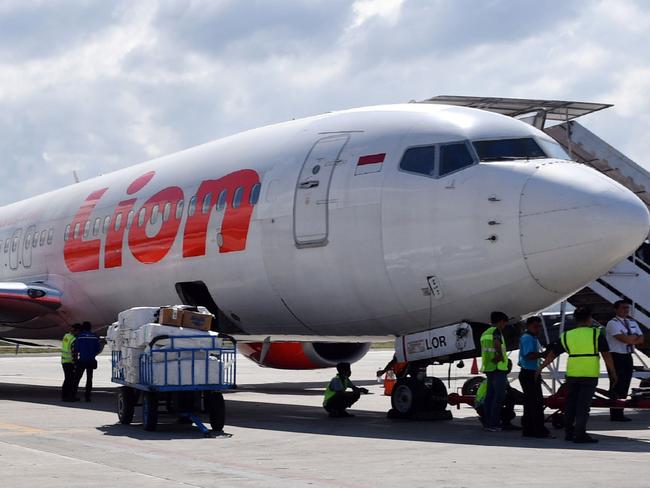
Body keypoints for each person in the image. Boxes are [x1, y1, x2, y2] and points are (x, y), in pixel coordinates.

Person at [540, 307, 617, 443]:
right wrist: (613, 372)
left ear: (576, 320)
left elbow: (553, 354)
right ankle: (580, 434)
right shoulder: (596, 333)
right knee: (583, 406)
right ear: (589, 318)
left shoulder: (567, 335)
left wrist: (540, 367)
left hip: (572, 373)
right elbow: (606, 355)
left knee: (570, 404)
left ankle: (569, 433)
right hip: (589, 373)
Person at [606, 300, 644, 422]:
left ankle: (620, 411)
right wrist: (632, 339)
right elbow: (622, 338)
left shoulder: (631, 322)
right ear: (616, 309)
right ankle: (615, 412)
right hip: (616, 356)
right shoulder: (613, 323)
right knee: (617, 383)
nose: (626, 310)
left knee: (626, 383)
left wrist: (631, 340)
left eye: (627, 308)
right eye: (623, 308)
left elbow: (641, 338)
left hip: (627, 355)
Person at [518, 316, 552, 438]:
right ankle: (538, 429)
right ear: (528, 326)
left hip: (530, 372)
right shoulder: (528, 338)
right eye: (535, 326)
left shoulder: (532, 337)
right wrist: (543, 354)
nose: (538, 329)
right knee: (536, 403)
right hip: (529, 373)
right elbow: (528, 355)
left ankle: (528, 429)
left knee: (530, 403)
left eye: (539, 326)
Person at [480, 311, 510, 431]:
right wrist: (500, 356)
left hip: (489, 367)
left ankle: (487, 422)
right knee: (499, 397)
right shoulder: (496, 332)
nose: (504, 326)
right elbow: (497, 343)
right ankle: (494, 423)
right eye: (504, 323)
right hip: (498, 368)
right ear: (501, 321)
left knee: (490, 396)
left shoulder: (485, 333)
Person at [475, 360, 522, 430]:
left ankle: (487, 420)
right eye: (509, 366)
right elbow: (511, 391)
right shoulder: (499, 378)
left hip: (479, 405)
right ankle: (504, 422)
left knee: (505, 396)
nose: (510, 368)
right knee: (510, 397)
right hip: (483, 406)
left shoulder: (490, 378)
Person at [73, 321, 101, 402]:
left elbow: (76, 348)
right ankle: (87, 396)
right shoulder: (94, 337)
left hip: (82, 360)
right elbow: (97, 349)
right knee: (89, 379)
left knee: (77, 378)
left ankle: (74, 394)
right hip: (91, 360)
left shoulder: (80, 337)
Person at [61, 323, 81, 402]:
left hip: (64, 361)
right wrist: (76, 362)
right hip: (69, 362)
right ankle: (68, 397)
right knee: (70, 380)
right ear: (76, 331)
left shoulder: (66, 336)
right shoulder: (73, 339)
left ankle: (64, 395)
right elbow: (74, 352)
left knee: (67, 379)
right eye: (79, 331)